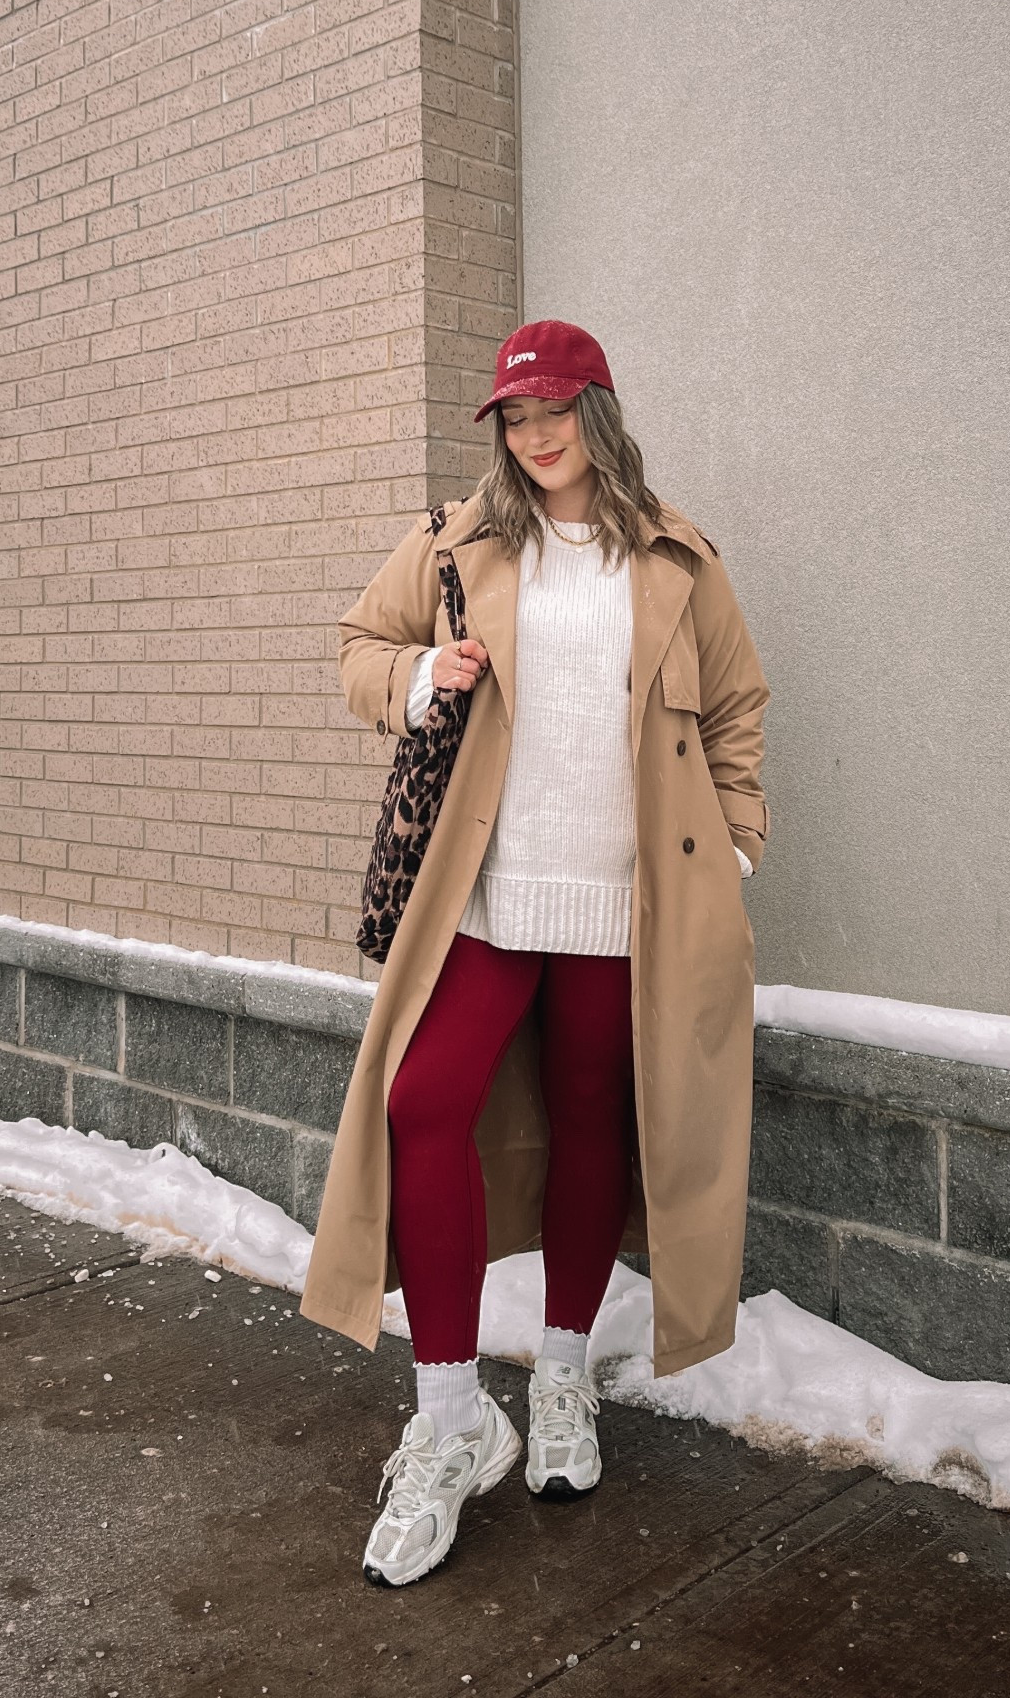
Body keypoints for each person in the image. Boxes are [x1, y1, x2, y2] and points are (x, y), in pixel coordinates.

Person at [300, 319, 770, 1587]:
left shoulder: (674, 555)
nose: (536, 431)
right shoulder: (460, 539)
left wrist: (730, 851)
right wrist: (418, 673)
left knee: (590, 1124)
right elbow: (352, 646)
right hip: (494, 897)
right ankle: (452, 1414)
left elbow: (735, 706)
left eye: (556, 406)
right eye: (515, 412)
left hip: (632, 907)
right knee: (421, 1099)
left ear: (598, 410)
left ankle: (562, 1374)